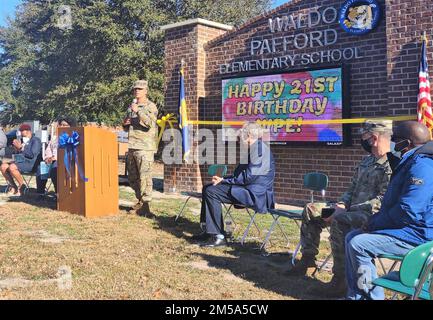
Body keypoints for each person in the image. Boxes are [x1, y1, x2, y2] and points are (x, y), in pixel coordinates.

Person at [288, 120, 393, 297]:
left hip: (371, 216)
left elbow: (383, 200)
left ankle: (340, 279)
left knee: (339, 220)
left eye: (365, 137)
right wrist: (341, 204)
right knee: (311, 209)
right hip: (349, 210)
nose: (363, 141)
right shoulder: (366, 161)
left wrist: (345, 211)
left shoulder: (391, 165)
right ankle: (307, 259)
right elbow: (351, 188)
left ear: (374, 138)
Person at [345, 121, 433, 300]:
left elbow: (409, 210)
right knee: (351, 237)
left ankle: (371, 297)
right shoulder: (410, 161)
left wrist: (375, 223)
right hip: (409, 228)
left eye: (395, 139)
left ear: (406, 143)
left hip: (419, 234)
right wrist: (375, 220)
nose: (391, 142)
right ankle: (356, 296)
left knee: (359, 244)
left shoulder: (422, 166)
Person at [192, 122, 276, 248]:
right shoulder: (255, 148)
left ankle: (218, 236)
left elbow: (248, 177)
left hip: (255, 195)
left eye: (240, 135)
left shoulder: (259, 150)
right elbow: (241, 176)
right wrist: (222, 179)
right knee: (207, 188)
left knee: (211, 191)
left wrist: (224, 181)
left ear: (247, 135)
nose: (238, 138)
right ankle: (208, 231)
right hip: (248, 188)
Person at [123, 80, 158, 217]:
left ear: (146, 91)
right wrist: (125, 123)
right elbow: (127, 126)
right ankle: (140, 200)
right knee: (133, 177)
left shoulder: (151, 106)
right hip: (132, 146)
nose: (137, 91)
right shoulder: (131, 106)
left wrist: (138, 112)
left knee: (145, 177)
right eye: (135, 89)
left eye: (140, 89)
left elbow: (149, 123)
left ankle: (146, 205)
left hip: (145, 148)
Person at [36, 117, 76, 196]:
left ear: (70, 126)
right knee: (41, 167)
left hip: (65, 162)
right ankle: (40, 193)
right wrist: (48, 157)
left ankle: (58, 193)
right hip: (52, 160)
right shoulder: (55, 138)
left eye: (65, 125)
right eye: (60, 125)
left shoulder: (72, 138)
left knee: (55, 168)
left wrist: (55, 158)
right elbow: (49, 149)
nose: (62, 127)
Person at [0, 124, 42, 196]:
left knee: (12, 167)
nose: (20, 133)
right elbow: (17, 154)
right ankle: (13, 186)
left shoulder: (36, 140)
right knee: (3, 166)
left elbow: (32, 155)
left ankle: (22, 187)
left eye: (21, 131)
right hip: (20, 162)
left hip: (31, 163)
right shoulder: (21, 140)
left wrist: (20, 148)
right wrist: (15, 150)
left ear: (28, 131)